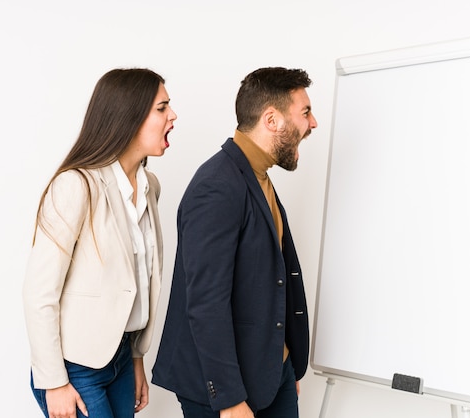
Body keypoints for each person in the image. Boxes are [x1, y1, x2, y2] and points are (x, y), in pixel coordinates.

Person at [152, 67, 317, 418]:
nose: (312, 123)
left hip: (271, 373)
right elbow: (206, 302)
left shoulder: (258, 178)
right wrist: (228, 399)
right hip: (224, 391)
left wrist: (282, 362)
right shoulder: (217, 186)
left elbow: (269, 280)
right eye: (305, 112)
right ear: (272, 120)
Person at [23, 68, 177, 418]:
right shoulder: (76, 186)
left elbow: (136, 282)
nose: (173, 116)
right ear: (130, 116)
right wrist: (54, 382)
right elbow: (39, 293)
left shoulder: (150, 186)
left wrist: (136, 356)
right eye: (162, 107)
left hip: (120, 358)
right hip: (75, 368)